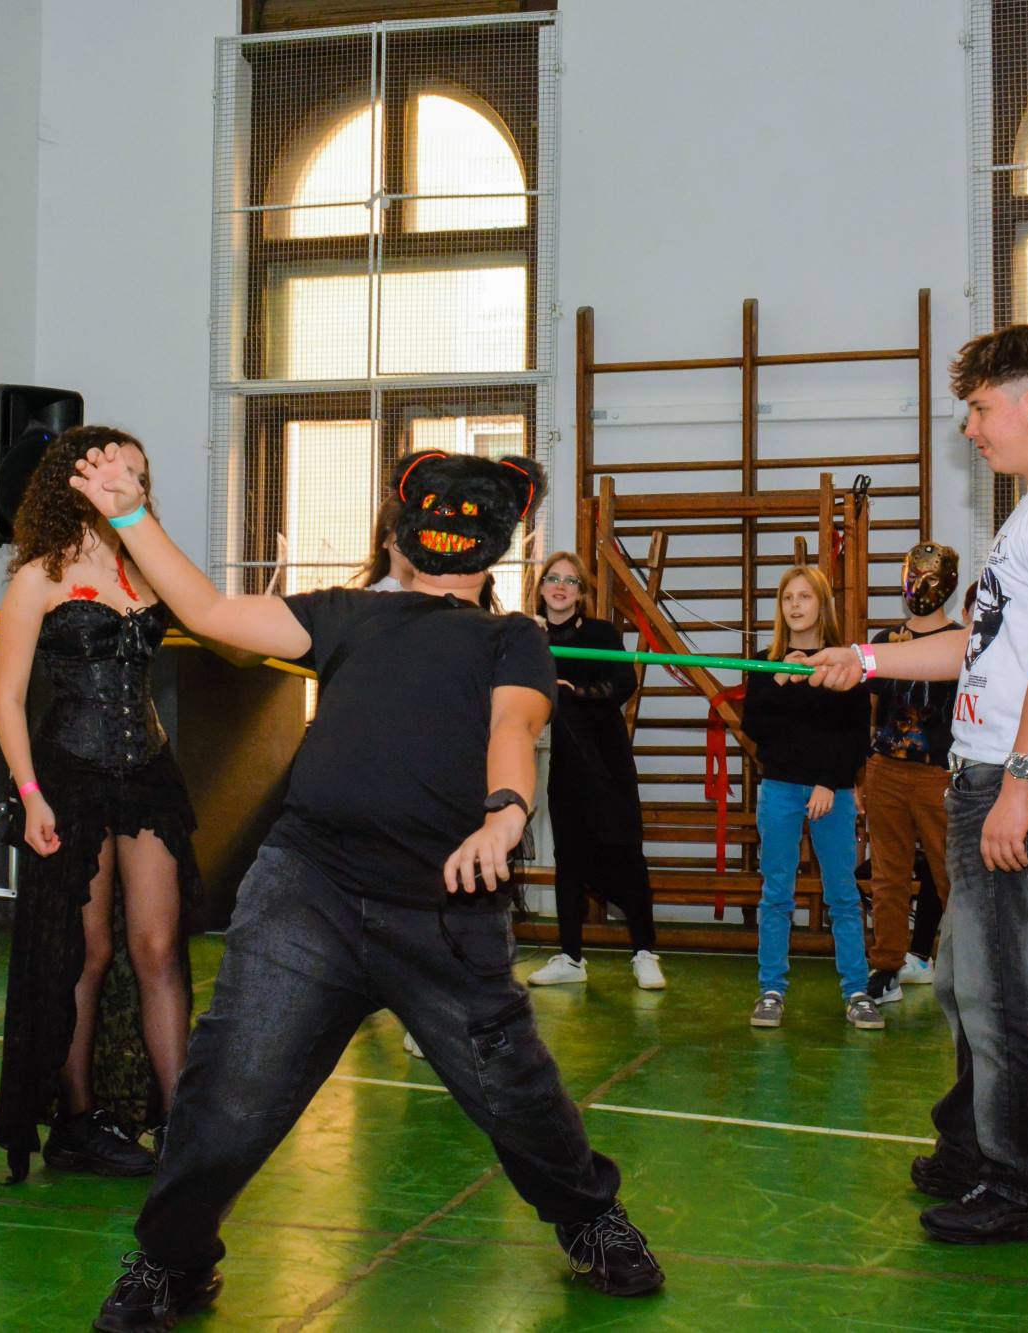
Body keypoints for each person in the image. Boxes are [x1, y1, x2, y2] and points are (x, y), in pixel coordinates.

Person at [76, 446, 662, 1331]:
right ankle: (173, 1258)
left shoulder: (513, 638)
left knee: (514, 1090)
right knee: (230, 1087)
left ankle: (590, 1218)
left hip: (443, 910)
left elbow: (514, 726)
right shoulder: (346, 615)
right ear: (398, 537)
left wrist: (506, 814)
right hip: (307, 893)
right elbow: (209, 611)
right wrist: (128, 513)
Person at [805, 323, 1028, 1245]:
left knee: (1012, 989)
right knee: (967, 980)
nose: (972, 428)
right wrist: (865, 657)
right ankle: (977, 1144)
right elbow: (979, 650)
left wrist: (1020, 781)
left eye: (981, 409)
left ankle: (1025, 1187)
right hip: (988, 775)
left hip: (1025, 779)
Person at [0, 427, 204, 1182]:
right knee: (86, 951)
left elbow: (213, 617)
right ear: (73, 481)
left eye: (140, 474)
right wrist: (30, 795)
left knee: (158, 946)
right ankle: (77, 1123)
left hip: (147, 774)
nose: (129, 483)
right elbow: (7, 700)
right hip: (70, 776)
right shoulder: (36, 577)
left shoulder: (148, 566)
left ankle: (181, 1121)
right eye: (115, 471)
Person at [740, 565, 879, 1031]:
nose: (795, 606)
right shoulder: (766, 662)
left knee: (842, 894)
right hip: (779, 788)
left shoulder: (843, 662)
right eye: (787, 598)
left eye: (804, 597)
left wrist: (827, 781)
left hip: (831, 792)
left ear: (822, 604)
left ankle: (857, 991)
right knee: (776, 893)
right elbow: (756, 727)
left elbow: (854, 734)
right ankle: (771, 990)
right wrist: (780, 679)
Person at [525, 551, 663, 991]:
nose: (560, 587)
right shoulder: (529, 635)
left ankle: (644, 952)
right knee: (568, 857)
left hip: (607, 758)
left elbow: (624, 683)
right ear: (541, 586)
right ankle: (570, 957)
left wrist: (576, 692)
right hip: (566, 761)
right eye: (553, 578)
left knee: (625, 852)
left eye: (571, 581)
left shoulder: (601, 632)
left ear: (581, 592)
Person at [862, 542, 963, 1004]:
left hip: (939, 774)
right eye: (913, 575)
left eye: (931, 578)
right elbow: (871, 712)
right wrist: (861, 774)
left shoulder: (961, 642)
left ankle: (964, 968)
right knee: (888, 875)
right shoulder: (885, 642)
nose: (920, 587)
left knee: (951, 874)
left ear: (948, 584)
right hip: (885, 770)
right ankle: (887, 967)